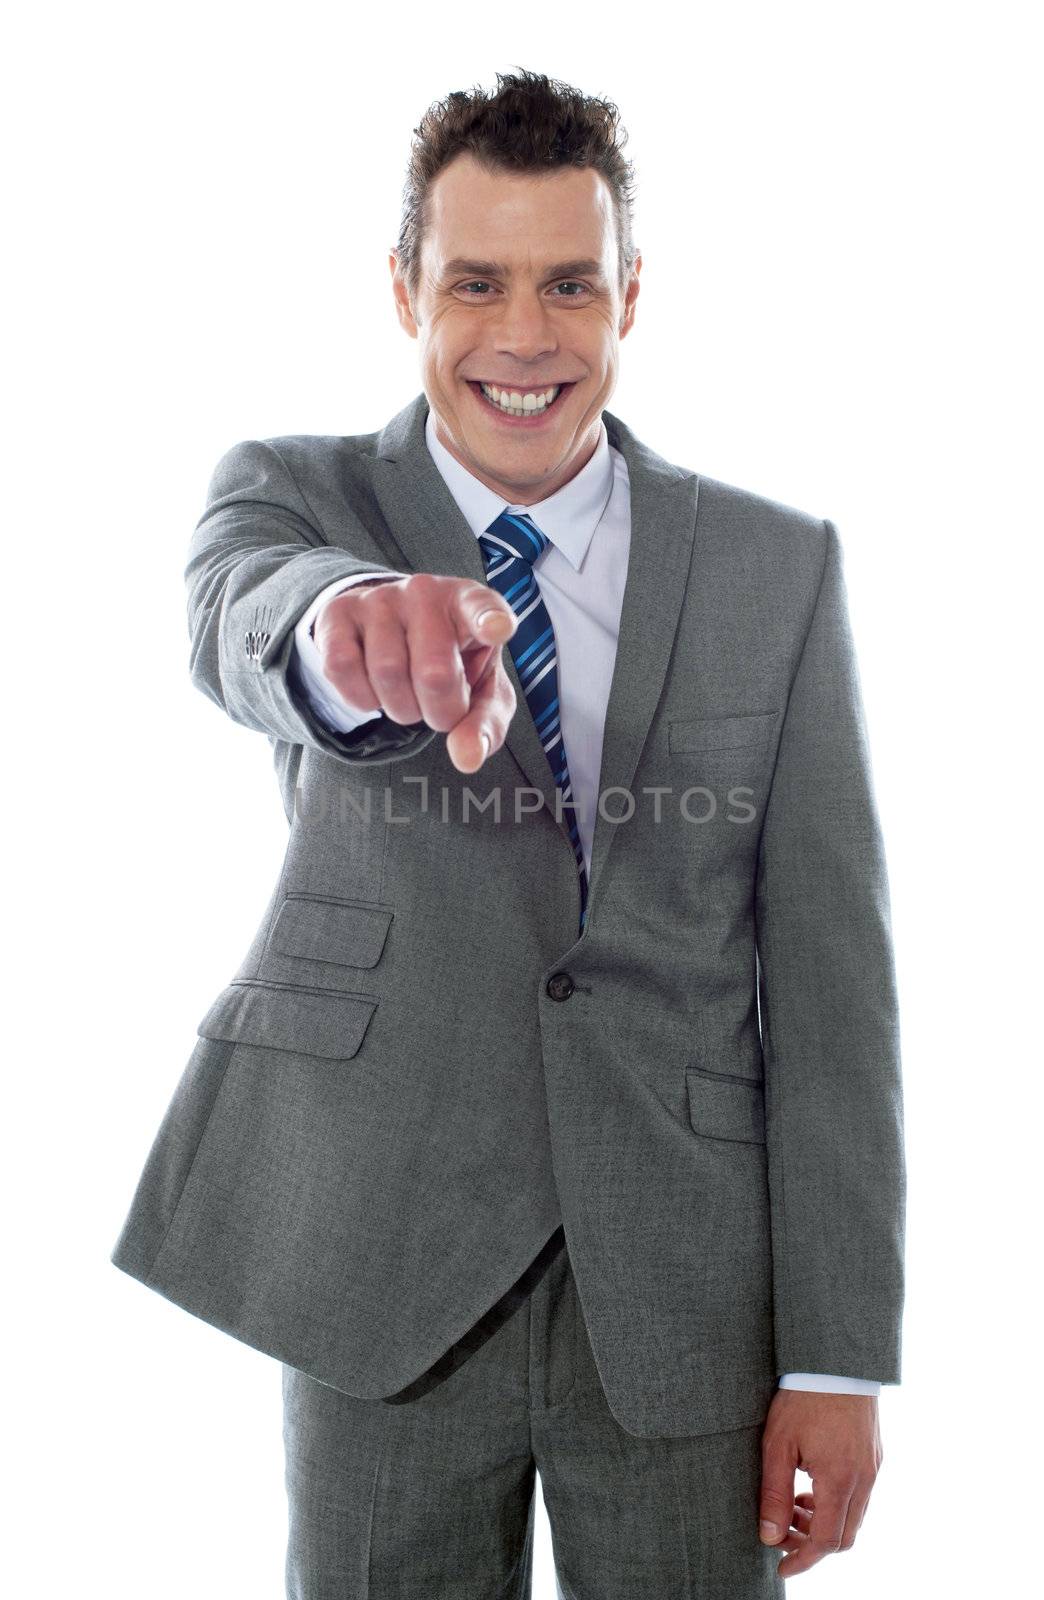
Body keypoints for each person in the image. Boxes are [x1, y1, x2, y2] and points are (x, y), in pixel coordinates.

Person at [111, 67, 906, 1598]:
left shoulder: (775, 568)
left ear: (631, 298)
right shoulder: (300, 497)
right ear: (405, 288)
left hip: (682, 1287)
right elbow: (238, 611)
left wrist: (842, 1352)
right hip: (382, 1267)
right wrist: (347, 627)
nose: (525, 336)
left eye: (569, 285)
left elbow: (833, 987)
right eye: (476, 282)